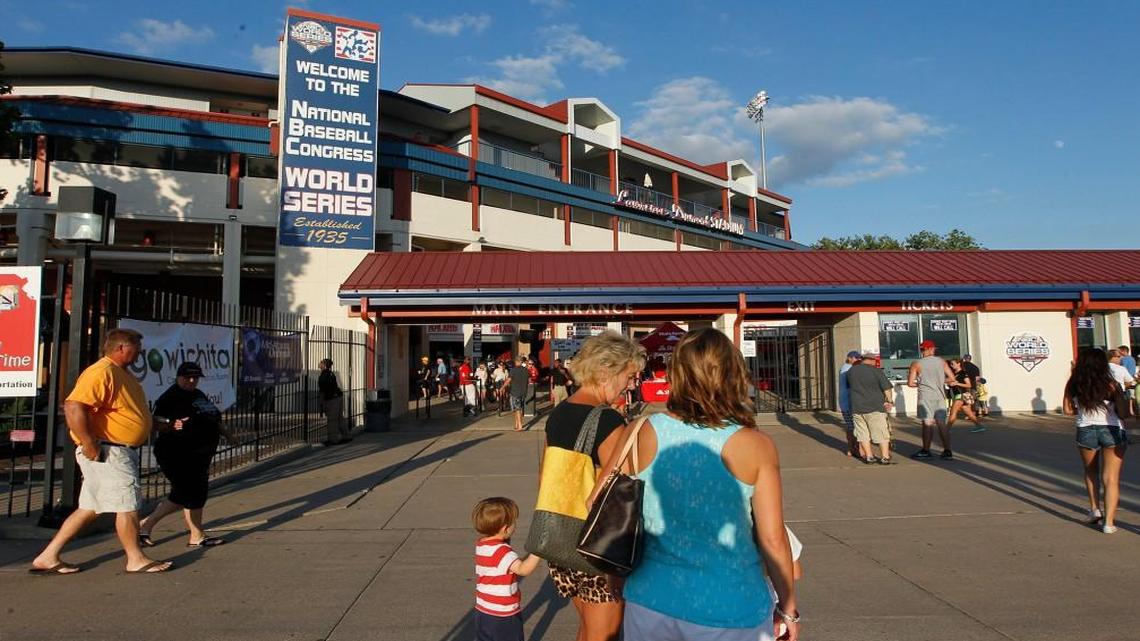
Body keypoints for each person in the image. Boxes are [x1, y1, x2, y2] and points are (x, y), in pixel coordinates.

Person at [598, 328, 798, 641]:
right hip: (731, 606)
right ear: (733, 374)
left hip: (650, 600)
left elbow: (601, 500)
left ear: (675, 374)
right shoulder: (755, 444)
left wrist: (614, 571)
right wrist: (787, 606)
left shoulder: (641, 430)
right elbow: (773, 539)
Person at [30, 329, 173, 574]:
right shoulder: (102, 371)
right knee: (127, 504)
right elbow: (74, 406)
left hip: (113, 450)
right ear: (121, 348)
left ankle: (48, 556)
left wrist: (153, 423)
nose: (140, 351)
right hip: (111, 451)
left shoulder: (120, 374)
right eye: (136, 346)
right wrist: (89, 443)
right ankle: (135, 558)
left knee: (89, 508)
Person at [542, 331, 644, 641]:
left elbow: (546, 475)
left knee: (589, 629)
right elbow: (619, 493)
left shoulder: (558, 414)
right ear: (605, 371)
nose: (632, 384)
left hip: (559, 538)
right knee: (605, 634)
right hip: (597, 547)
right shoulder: (608, 421)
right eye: (629, 375)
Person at [139, 362, 237, 548]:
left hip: (200, 454)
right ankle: (194, 534)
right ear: (178, 377)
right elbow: (156, 422)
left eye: (195, 378)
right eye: (187, 378)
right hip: (177, 453)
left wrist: (228, 435)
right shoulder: (170, 398)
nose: (192, 381)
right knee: (189, 493)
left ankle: (149, 526)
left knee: (187, 494)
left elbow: (212, 418)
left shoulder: (198, 395)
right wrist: (171, 424)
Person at [1063, 348, 1129, 534]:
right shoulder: (1111, 383)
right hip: (1112, 429)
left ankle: (1094, 509)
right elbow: (1123, 413)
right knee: (1111, 478)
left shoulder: (1074, 383)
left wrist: (1082, 409)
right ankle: (1109, 523)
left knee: (1091, 471)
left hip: (1086, 428)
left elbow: (1067, 410)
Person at [472, 497, 543, 641]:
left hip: (483, 610)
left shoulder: (482, 545)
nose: (515, 525)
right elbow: (523, 569)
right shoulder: (502, 551)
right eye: (513, 522)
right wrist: (539, 550)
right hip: (503, 614)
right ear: (505, 528)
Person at [907, 340, 956, 460]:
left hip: (926, 396)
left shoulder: (916, 363)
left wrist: (921, 384)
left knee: (927, 423)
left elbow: (910, 383)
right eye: (933, 348)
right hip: (939, 396)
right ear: (930, 349)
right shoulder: (941, 362)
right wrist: (939, 381)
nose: (934, 350)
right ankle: (947, 450)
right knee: (941, 423)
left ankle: (926, 450)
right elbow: (952, 378)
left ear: (923, 350)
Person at [846, 350, 895, 465]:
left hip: (857, 407)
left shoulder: (851, 371)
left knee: (862, 434)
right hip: (875, 407)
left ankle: (869, 457)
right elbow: (887, 388)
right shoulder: (876, 371)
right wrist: (889, 401)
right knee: (881, 433)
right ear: (872, 360)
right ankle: (885, 457)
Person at [946, 358, 985, 433]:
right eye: (951, 364)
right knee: (969, 413)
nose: (951, 365)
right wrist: (950, 383)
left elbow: (969, 385)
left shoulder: (963, 373)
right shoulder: (954, 373)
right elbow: (951, 382)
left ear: (958, 364)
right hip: (959, 395)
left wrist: (957, 383)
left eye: (953, 364)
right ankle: (980, 426)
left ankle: (946, 429)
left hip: (961, 395)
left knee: (953, 412)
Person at [319, 358, 349, 445]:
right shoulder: (331, 373)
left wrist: (322, 403)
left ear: (324, 365)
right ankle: (346, 436)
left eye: (321, 363)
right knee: (340, 418)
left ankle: (333, 440)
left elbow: (322, 391)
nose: (319, 364)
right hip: (338, 396)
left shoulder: (323, 376)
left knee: (332, 420)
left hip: (332, 399)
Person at [838, 350, 862, 458]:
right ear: (849, 358)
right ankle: (855, 449)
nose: (858, 360)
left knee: (850, 427)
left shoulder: (844, 368)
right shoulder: (848, 369)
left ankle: (852, 448)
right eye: (856, 358)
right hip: (849, 402)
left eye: (858, 358)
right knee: (855, 427)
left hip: (845, 402)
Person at [504, 358, 531, 432]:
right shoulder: (526, 370)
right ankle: (516, 424)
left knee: (517, 409)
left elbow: (508, 380)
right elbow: (529, 380)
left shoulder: (513, 370)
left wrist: (502, 387)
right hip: (523, 392)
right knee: (519, 408)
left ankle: (520, 425)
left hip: (515, 392)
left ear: (516, 362)